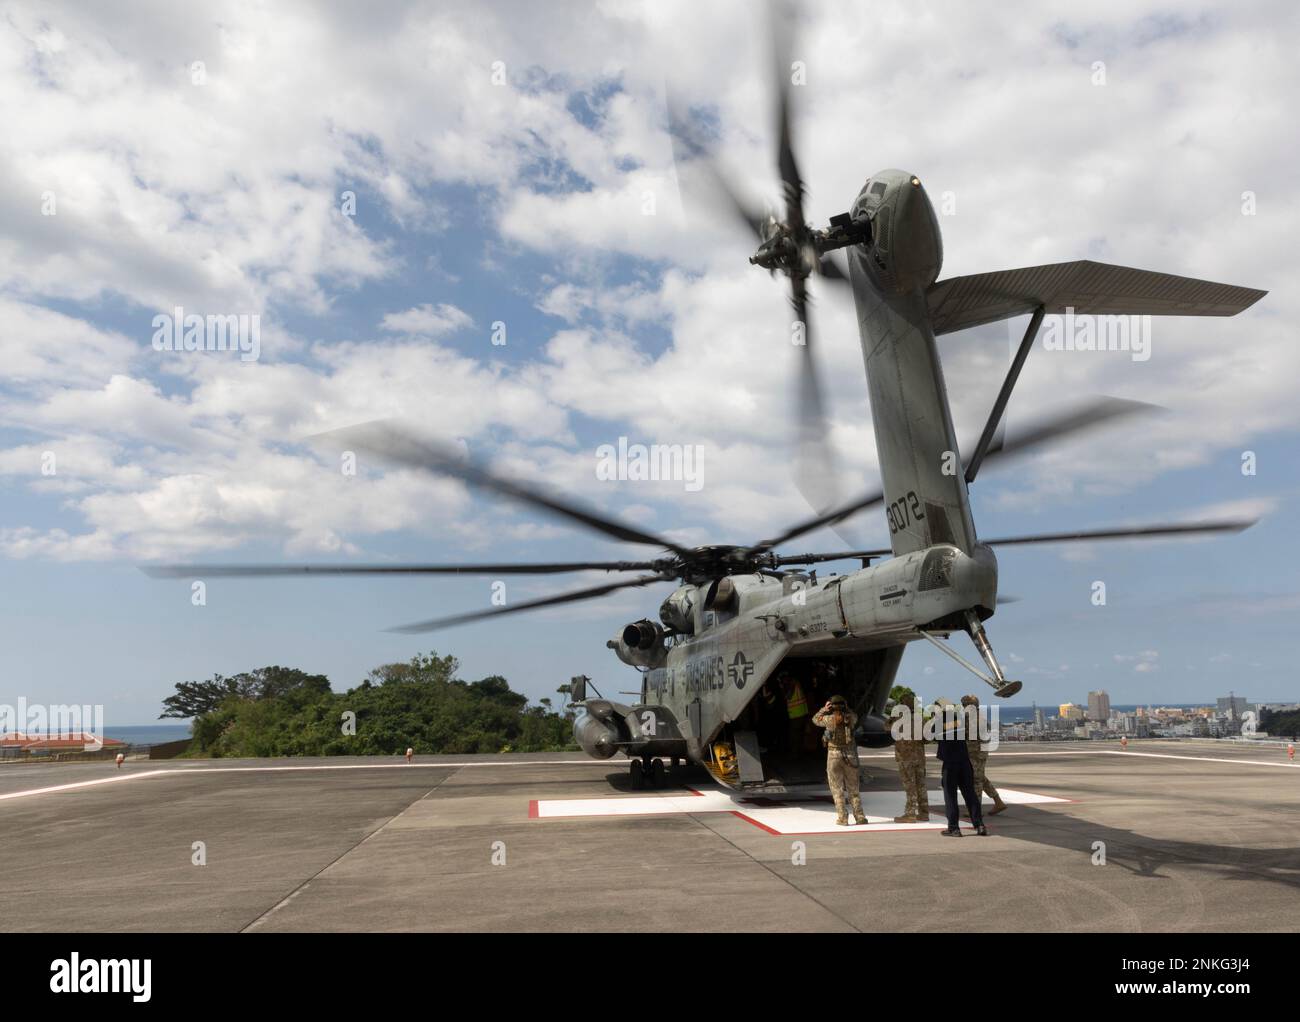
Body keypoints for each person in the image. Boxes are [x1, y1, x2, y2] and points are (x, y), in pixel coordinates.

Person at [812, 695, 867, 826]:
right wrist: (846, 708)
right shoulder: (851, 718)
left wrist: (824, 709)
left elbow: (815, 719)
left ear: (831, 705)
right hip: (850, 755)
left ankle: (843, 818)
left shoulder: (828, 719)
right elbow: (855, 716)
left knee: (837, 788)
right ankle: (859, 817)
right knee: (853, 788)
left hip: (834, 755)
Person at [934, 698, 986, 836]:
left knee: (950, 796)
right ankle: (979, 825)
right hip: (965, 762)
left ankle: (954, 828)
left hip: (950, 764)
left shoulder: (939, 722)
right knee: (970, 794)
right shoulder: (960, 720)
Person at [961, 694, 1006, 817]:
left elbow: (964, 736)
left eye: (964, 704)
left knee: (976, 780)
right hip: (979, 753)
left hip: (975, 753)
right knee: (980, 778)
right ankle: (998, 802)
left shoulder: (970, 718)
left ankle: (975, 809)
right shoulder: (979, 717)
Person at [891, 692, 930, 823]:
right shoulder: (922, 719)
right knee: (921, 785)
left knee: (910, 786)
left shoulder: (898, 719)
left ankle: (910, 814)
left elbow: (886, 727)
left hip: (905, 758)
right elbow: (927, 739)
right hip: (919, 757)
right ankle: (924, 813)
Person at [780, 672, 810, 753]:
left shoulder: (792, 685)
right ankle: (800, 752)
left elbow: (788, 697)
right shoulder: (796, 683)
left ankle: (795, 754)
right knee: (799, 734)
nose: (783, 681)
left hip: (797, 714)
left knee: (794, 735)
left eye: (783, 679)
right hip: (801, 713)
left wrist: (782, 688)